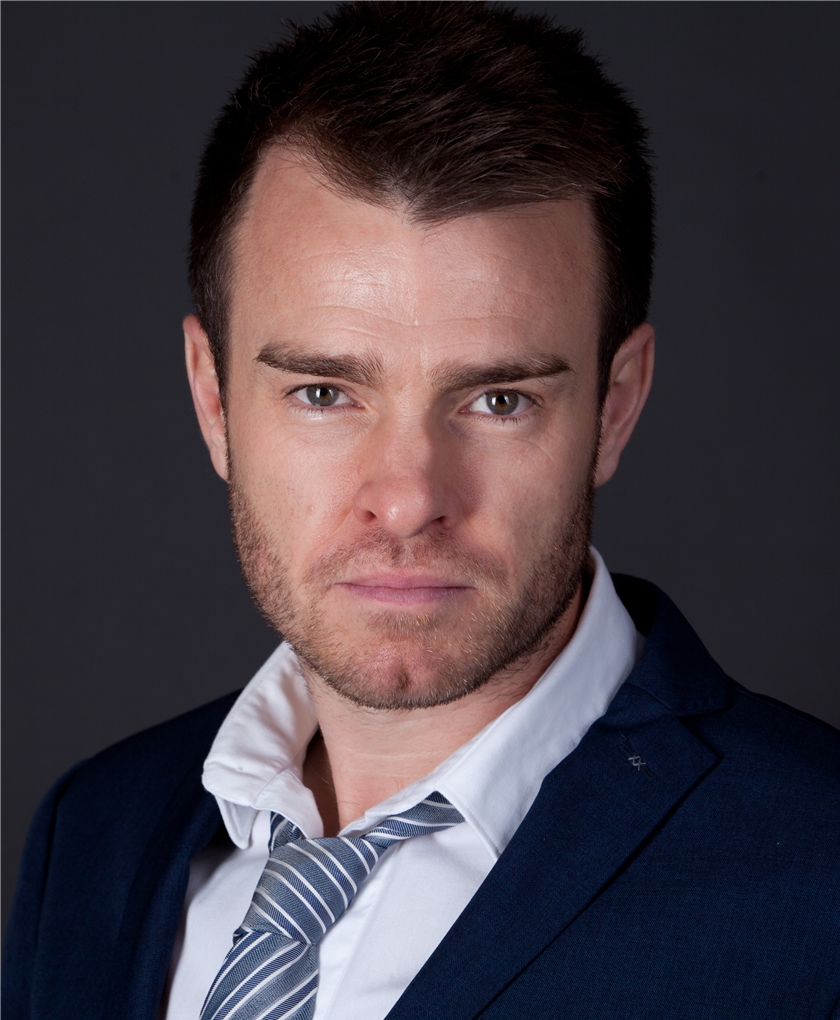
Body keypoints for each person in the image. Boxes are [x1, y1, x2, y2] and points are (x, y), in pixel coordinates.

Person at [5, 3, 839, 1018]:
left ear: (615, 407)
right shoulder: (93, 834)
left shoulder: (820, 876)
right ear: (213, 401)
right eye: (324, 393)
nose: (407, 500)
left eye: (498, 401)